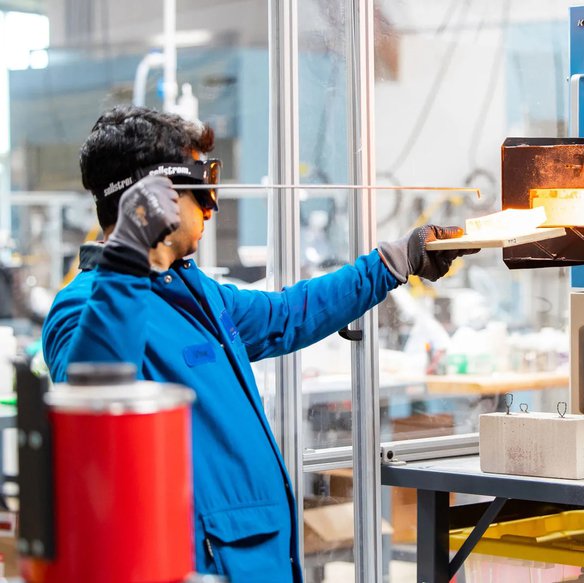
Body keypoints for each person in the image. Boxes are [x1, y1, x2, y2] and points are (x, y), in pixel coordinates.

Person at [41, 105, 477, 582]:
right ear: (155, 196)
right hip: (204, 564)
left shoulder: (195, 292)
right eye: (201, 186)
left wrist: (396, 261)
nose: (212, 206)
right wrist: (126, 260)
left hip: (261, 557)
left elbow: (289, 314)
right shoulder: (84, 307)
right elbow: (89, 400)